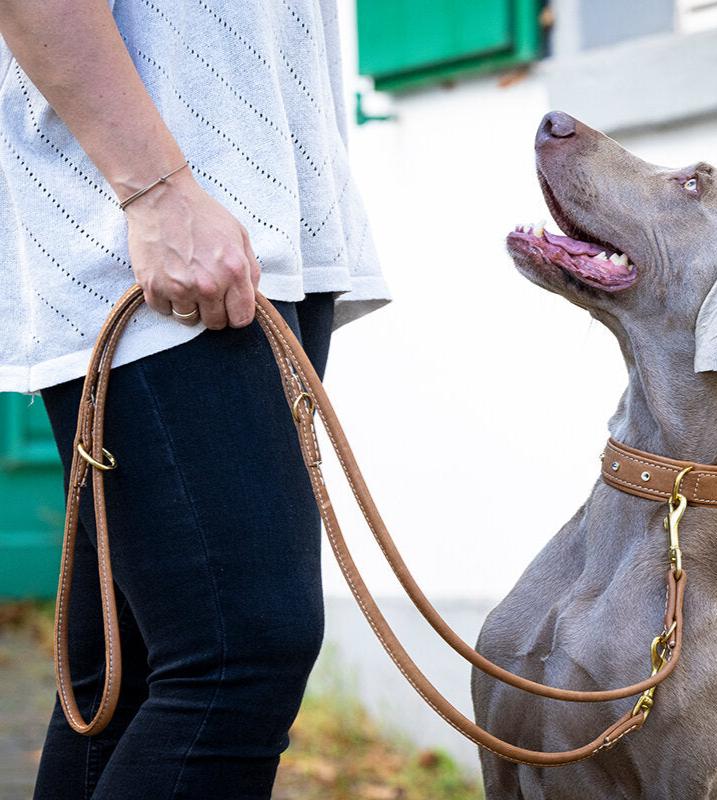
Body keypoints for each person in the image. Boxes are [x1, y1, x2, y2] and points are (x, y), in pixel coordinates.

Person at [0, 2, 389, 798]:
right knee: (237, 657)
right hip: (157, 231)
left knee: (127, 668)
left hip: (257, 228)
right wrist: (156, 193)